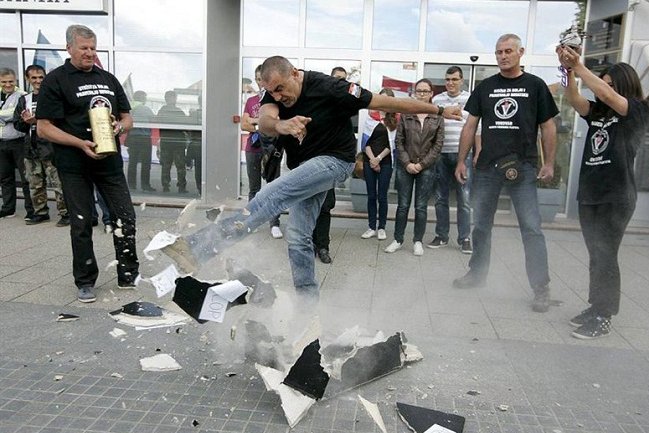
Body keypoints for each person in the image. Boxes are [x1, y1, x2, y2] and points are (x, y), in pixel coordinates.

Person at [161, 56, 461, 301]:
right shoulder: (272, 94)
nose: (280, 96)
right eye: (273, 92)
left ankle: (198, 248)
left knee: (272, 195)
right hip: (306, 168)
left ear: (294, 73)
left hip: (335, 162)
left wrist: (438, 109)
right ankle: (308, 306)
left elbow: (387, 103)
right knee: (298, 237)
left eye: (281, 88)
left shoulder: (331, 87)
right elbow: (264, 120)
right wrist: (282, 124)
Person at [453, 33, 558, 314]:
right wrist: (461, 161)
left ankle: (541, 288)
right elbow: (469, 126)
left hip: (522, 167)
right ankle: (477, 274)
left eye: (508, 51)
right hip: (487, 166)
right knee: (481, 225)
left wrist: (549, 163)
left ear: (521, 52)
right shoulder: (486, 87)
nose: (503, 56)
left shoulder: (535, 86)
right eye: (499, 52)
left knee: (531, 228)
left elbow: (548, 126)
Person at [36, 24, 139, 303]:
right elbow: (44, 128)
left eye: (93, 48)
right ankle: (85, 281)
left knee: (125, 217)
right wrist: (80, 143)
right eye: (84, 48)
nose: (90, 53)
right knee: (82, 222)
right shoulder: (56, 80)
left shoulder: (107, 79)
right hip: (74, 164)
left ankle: (128, 273)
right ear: (69, 48)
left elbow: (128, 116)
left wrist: (120, 126)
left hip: (109, 162)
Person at [558, 47, 649, 339]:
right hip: (591, 193)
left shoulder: (636, 110)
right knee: (596, 254)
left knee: (606, 254)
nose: (603, 90)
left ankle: (604, 315)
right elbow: (573, 98)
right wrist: (567, 70)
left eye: (610, 84)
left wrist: (581, 67)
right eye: (603, 83)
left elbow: (612, 98)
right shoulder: (599, 111)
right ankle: (595, 306)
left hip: (617, 196)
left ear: (622, 86)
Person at [384, 79, 444, 256]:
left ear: (431, 94)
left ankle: (418, 241)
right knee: (402, 206)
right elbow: (399, 141)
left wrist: (421, 164)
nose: (422, 94)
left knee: (421, 207)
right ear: (414, 93)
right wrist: (408, 163)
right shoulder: (405, 114)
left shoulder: (438, 117)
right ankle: (398, 239)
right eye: (419, 91)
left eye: (426, 91)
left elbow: (438, 145)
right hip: (406, 166)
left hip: (426, 167)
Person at [13, 64, 69, 226]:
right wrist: (26, 122)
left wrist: (38, 120)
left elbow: (60, 120)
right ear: (28, 79)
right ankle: (41, 212)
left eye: (40, 77)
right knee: (35, 183)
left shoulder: (53, 97)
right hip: (31, 147)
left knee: (58, 184)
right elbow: (18, 124)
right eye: (34, 78)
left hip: (51, 148)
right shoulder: (24, 100)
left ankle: (65, 213)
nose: (37, 81)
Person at [430, 66, 473, 254]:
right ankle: (441, 236)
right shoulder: (437, 100)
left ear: (461, 80)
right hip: (441, 154)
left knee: (464, 198)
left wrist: (477, 152)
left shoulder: (470, 99)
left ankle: (465, 238)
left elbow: (476, 127)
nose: (450, 83)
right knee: (440, 197)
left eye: (454, 79)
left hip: (463, 155)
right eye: (448, 79)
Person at [312, 66, 348, 264]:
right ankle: (308, 245)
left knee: (325, 208)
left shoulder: (344, 108)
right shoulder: (318, 103)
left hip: (329, 167)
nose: (339, 83)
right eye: (337, 79)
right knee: (309, 207)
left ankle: (323, 246)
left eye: (343, 80)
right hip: (310, 165)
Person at [242, 65, 282, 239]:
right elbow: (244, 125)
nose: (261, 83)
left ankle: (274, 223)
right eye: (258, 79)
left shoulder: (276, 101)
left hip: (272, 150)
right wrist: (263, 123)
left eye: (264, 79)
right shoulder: (251, 101)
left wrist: (255, 122)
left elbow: (278, 123)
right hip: (252, 148)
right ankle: (251, 222)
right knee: (254, 188)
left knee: (274, 187)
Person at [361, 88, 396, 241]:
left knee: (382, 196)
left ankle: (381, 227)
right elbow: (365, 142)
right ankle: (371, 227)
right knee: (371, 195)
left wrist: (379, 159)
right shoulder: (370, 118)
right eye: (382, 98)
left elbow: (393, 144)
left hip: (386, 162)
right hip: (369, 160)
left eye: (387, 99)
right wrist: (372, 160)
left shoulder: (395, 119)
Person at [0, 67, 34, 220]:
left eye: (10, 81)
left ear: (16, 81)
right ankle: (8, 209)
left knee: (25, 177)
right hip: (2, 143)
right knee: (5, 178)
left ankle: (31, 210)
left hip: (19, 142)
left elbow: (14, 116)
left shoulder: (22, 96)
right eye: (4, 82)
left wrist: (4, 115)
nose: (7, 84)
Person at [157, 90, 189, 193]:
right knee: (180, 166)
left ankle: (166, 186)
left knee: (166, 166)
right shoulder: (178, 111)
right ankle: (181, 187)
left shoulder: (162, 111)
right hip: (178, 142)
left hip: (166, 142)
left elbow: (158, 123)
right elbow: (186, 126)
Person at [125, 90, 156, 192]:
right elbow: (153, 121)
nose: (146, 99)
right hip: (144, 138)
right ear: (142, 98)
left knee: (132, 162)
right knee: (146, 163)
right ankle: (145, 185)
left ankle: (131, 184)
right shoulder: (145, 109)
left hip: (133, 138)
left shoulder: (130, 108)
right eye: (145, 97)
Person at [187, 95, 202, 195]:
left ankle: (200, 188)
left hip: (195, 142)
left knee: (198, 168)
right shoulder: (211, 113)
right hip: (205, 143)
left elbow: (188, 128)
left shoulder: (194, 114)